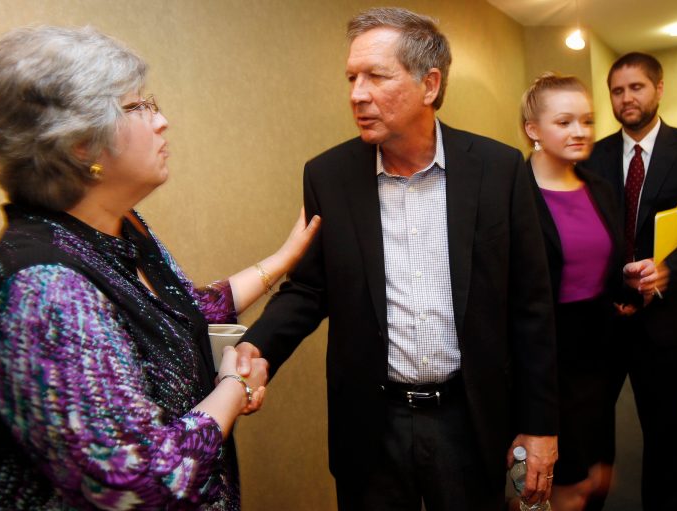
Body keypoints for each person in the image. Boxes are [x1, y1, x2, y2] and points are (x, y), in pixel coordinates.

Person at [0, 25, 319, 510]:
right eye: (138, 108)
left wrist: (282, 259)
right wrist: (234, 389)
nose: (162, 122)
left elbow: (177, 310)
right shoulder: (46, 289)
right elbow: (134, 484)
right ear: (80, 144)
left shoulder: (119, 227)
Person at [235, 7, 559, 511]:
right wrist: (259, 347)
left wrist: (539, 425)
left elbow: (532, 306)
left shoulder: (498, 170)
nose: (356, 94)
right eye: (351, 78)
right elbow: (310, 288)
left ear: (429, 85)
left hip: (469, 418)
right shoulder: (329, 176)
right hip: (371, 422)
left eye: (376, 77)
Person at [587, 52, 677, 511]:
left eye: (636, 87)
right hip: (602, 321)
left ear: (659, 89)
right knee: (591, 432)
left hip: (666, 322)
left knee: (663, 437)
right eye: (617, 90)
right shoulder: (592, 154)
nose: (626, 98)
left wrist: (666, 270)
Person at [520, 73, 656, 511]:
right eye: (564, 122)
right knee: (564, 487)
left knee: (599, 476)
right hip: (545, 358)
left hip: (599, 352)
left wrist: (630, 282)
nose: (580, 131)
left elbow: (600, 266)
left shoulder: (598, 187)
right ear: (533, 129)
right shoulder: (512, 194)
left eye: (586, 120)